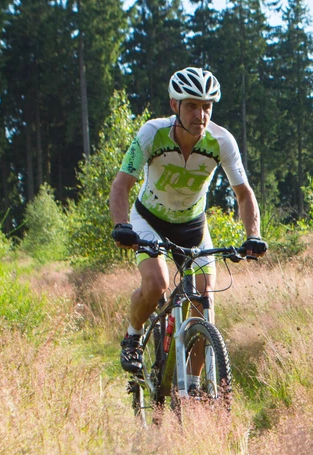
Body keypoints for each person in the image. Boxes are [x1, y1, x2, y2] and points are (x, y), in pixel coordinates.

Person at [109, 67, 268, 375]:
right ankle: (133, 336)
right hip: (149, 221)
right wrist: (121, 225)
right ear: (174, 105)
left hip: (193, 226)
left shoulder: (222, 141)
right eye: (192, 105)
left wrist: (254, 235)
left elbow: (244, 195)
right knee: (157, 284)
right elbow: (121, 185)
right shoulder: (151, 134)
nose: (200, 114)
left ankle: (191, 394)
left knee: (203, 303)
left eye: (207, 106)